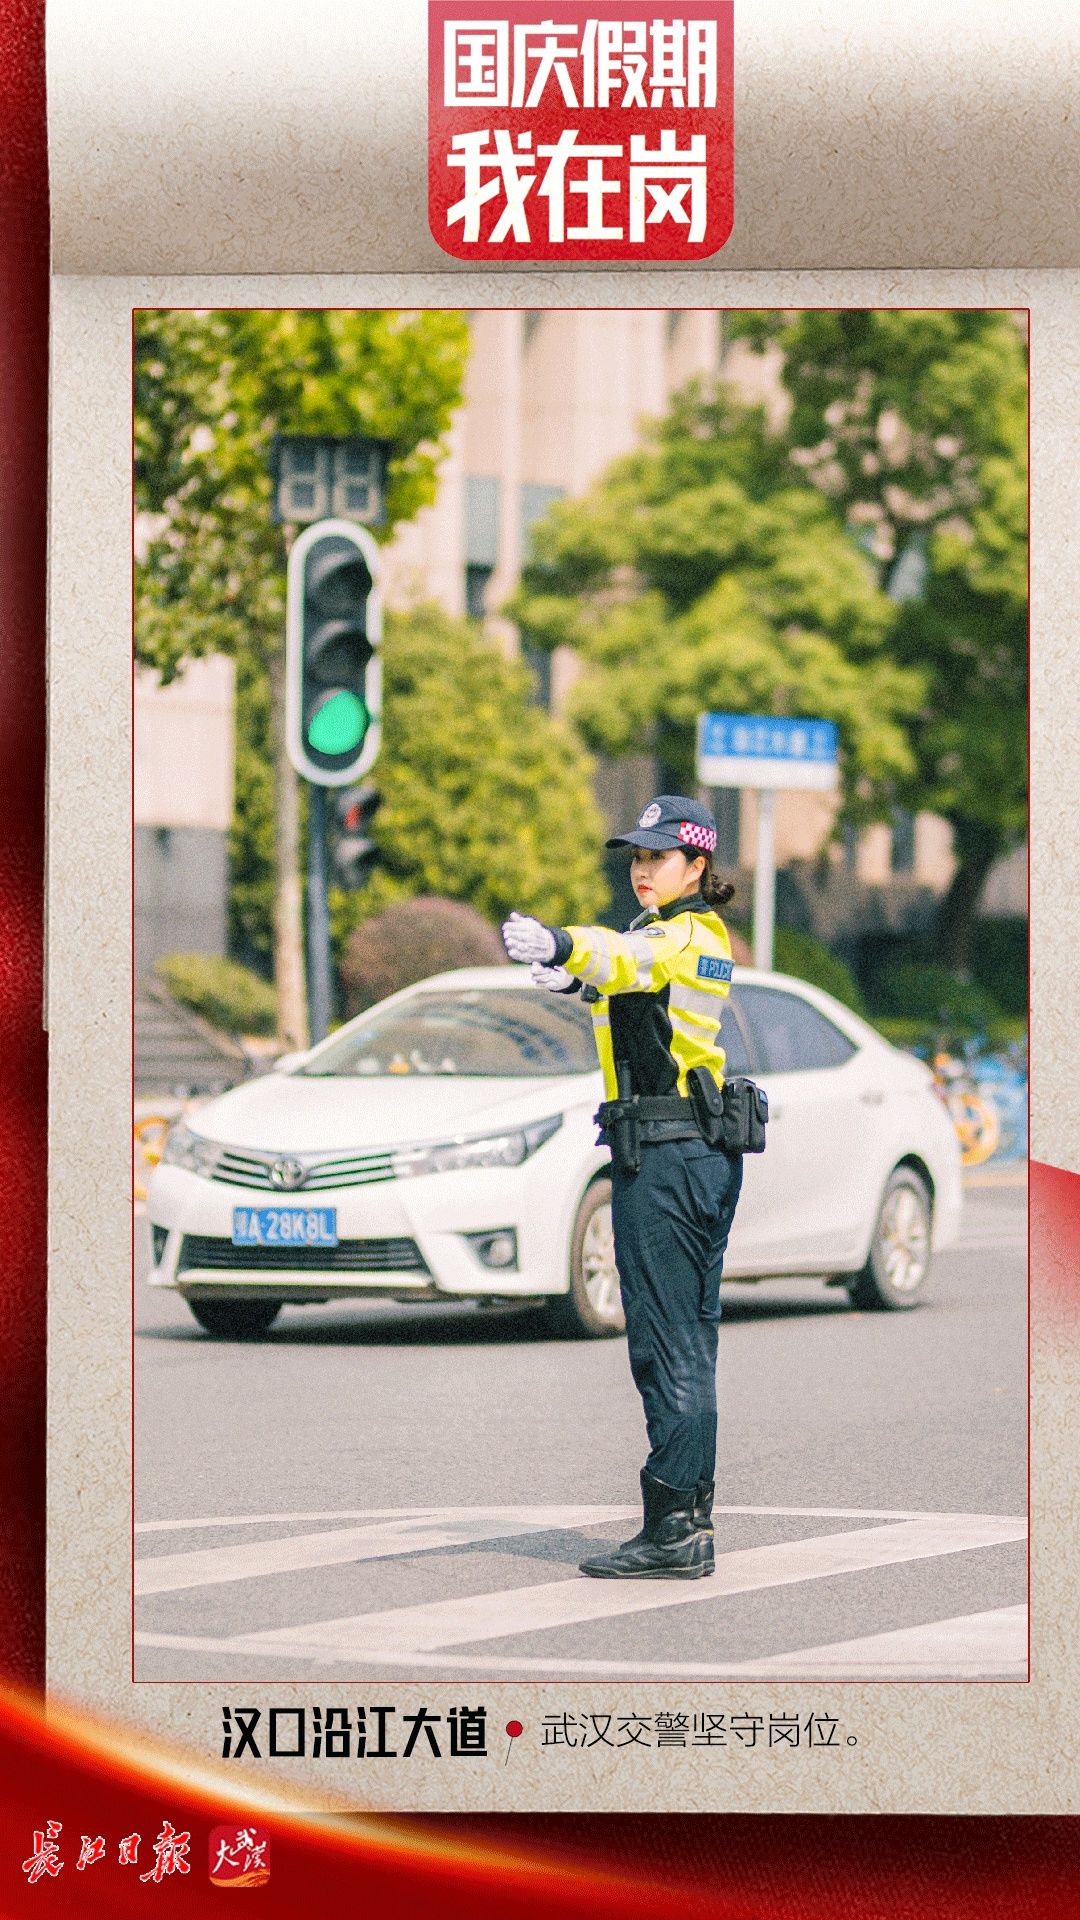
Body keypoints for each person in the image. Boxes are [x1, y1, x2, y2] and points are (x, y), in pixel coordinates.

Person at [502, 795, 743, 1581]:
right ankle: (690, 1517)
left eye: (659, 857)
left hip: (668, 1158)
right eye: (636, 857)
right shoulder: (691, 939)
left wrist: (566, 944)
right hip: (696, 1153)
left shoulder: (677, 934)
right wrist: (577, 987)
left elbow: (626, 963)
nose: (642, 869)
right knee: (691, 1338)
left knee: (665, 1342)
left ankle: (674, 1525)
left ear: (698, 866)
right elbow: (642, 1000)